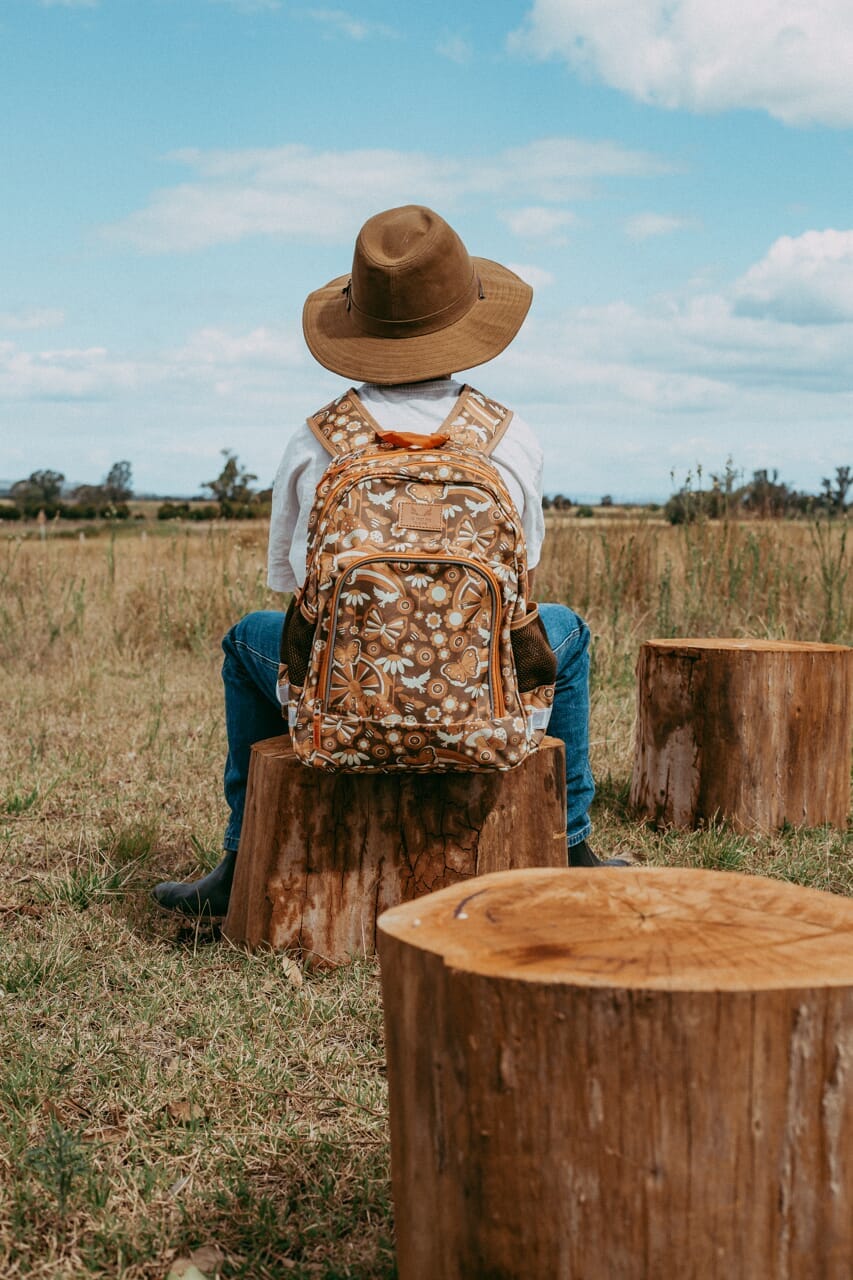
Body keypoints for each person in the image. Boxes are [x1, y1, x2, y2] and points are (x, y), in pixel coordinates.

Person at [153, 205, 625, 917]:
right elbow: (522, 578)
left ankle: (237, 856)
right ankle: (575, 843)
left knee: (242, 638)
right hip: (484, 705)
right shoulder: (509, 435)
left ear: (358, 326)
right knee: (572, 632)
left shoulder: (317, 439)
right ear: (467, 320)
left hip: (342, 704)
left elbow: (294, 587)